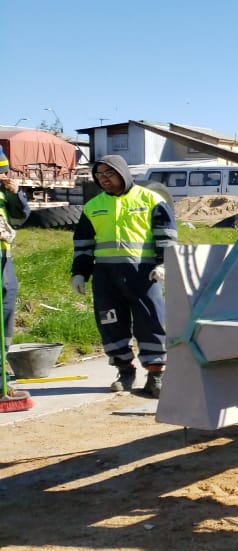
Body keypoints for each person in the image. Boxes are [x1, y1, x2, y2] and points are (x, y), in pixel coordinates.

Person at [70, 155, 177, 397]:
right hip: (105, 277)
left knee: (151, 323)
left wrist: (164, 264)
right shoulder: (93, 206)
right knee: (110, 324)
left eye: (109, 174)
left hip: (144, 274)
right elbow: (84, 244)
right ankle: (125, 371)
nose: (104, 180)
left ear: (123, 173)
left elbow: (167, 236)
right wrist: (79, 273)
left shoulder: (151, 200)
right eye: (99, 176)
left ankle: (156, 375)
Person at [1, 147, 31, 377]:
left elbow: (20, 218)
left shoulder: (4, 192)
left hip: (5, 261)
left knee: (7, 311)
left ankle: (1, 370)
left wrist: (15, 194)